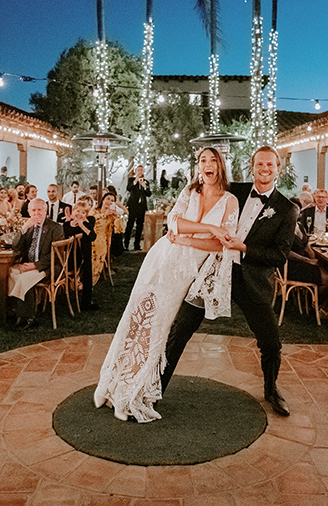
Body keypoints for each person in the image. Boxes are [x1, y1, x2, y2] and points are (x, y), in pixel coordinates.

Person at [94, 147, 239, 422]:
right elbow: (174, 221)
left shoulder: (230, 201)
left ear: (220, 166)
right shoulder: (189, 192)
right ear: (198, 166)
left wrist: (185, 238)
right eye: (202, 161)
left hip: (186, 272)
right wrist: (209, 228)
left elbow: (219, 247)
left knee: (156, 330)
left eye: (212, 161)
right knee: (135, 319)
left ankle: (130, 393)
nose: (207, 165)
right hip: (160, 260)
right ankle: (108, 382)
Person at [161, 146, 298, 417]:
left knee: (270, 342)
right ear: (253, 166)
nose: (265, 169)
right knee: (181, 329)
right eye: (260, 164)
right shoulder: (233, 189)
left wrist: (244, 247)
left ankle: (271, 390)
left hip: (252, 280)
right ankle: (156, 387)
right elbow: (203, 194)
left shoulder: (287, 208)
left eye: (270, 165)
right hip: (214, 271)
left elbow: (279, 256)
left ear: (278, 168)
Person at [9, 198, 64, 329]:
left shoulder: (55, 228)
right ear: (28, 211)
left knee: (23, 278)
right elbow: (15, 247)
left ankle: (28, 317)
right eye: (33, 210)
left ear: (46, 211)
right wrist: (23, 229)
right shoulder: (28, 226)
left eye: (40, 210)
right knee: (10, 273)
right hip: (29, 263)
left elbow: (55, 255)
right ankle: (17, 310)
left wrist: (35, 265)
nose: (37, 213)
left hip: (48, 266)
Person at [64, 200, 97, 311]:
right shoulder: (66, 224)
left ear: (86, 215)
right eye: (77, 210)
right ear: (73, 211)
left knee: (87, 272)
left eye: (83, 212)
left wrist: (82, 224)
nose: (79, 213)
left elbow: (92, 237)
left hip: (83, 257)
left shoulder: (87, 223)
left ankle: (86, 302)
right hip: (69, 258)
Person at [124, 165, 151, 251]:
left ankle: (137, 245)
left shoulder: (146, 182)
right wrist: (136, 180)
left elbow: (149, 194)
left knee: (139, 226)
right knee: (130, 225)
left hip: (141, 207)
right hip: (133, 206)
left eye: (141, 170)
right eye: (138, 170)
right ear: (135, 172)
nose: (140, 172)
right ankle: (126, 244)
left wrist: (144, 186)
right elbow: (128, 188)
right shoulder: (131, 180)